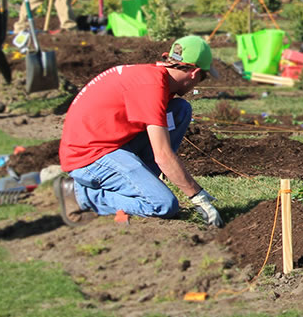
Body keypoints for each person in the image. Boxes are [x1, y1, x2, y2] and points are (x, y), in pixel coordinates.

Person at [53, 36, 223, 228]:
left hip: (108, 143)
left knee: (179, 111)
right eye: (204, 77)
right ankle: (80, 194)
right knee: (163, 204)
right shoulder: (152, 86)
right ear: (195, 73)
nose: (199, 83)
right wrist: (197, 195)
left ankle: (143, 184)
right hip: (89, 157)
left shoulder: (155, 76)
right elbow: (163, 155)